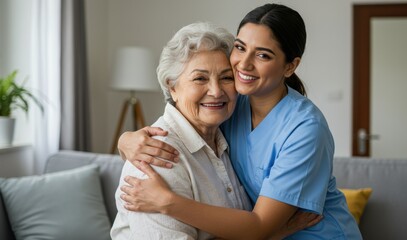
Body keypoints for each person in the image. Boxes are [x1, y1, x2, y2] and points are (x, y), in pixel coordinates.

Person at [118, 4, 362, 240]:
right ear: (172, 86)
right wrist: (125, 140)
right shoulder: (232, 106)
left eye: (263, 55)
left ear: (290, 66)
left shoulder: (305, 129)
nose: (244, 64)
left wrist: (169, 203)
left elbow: (258, 228)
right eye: (240, 48)